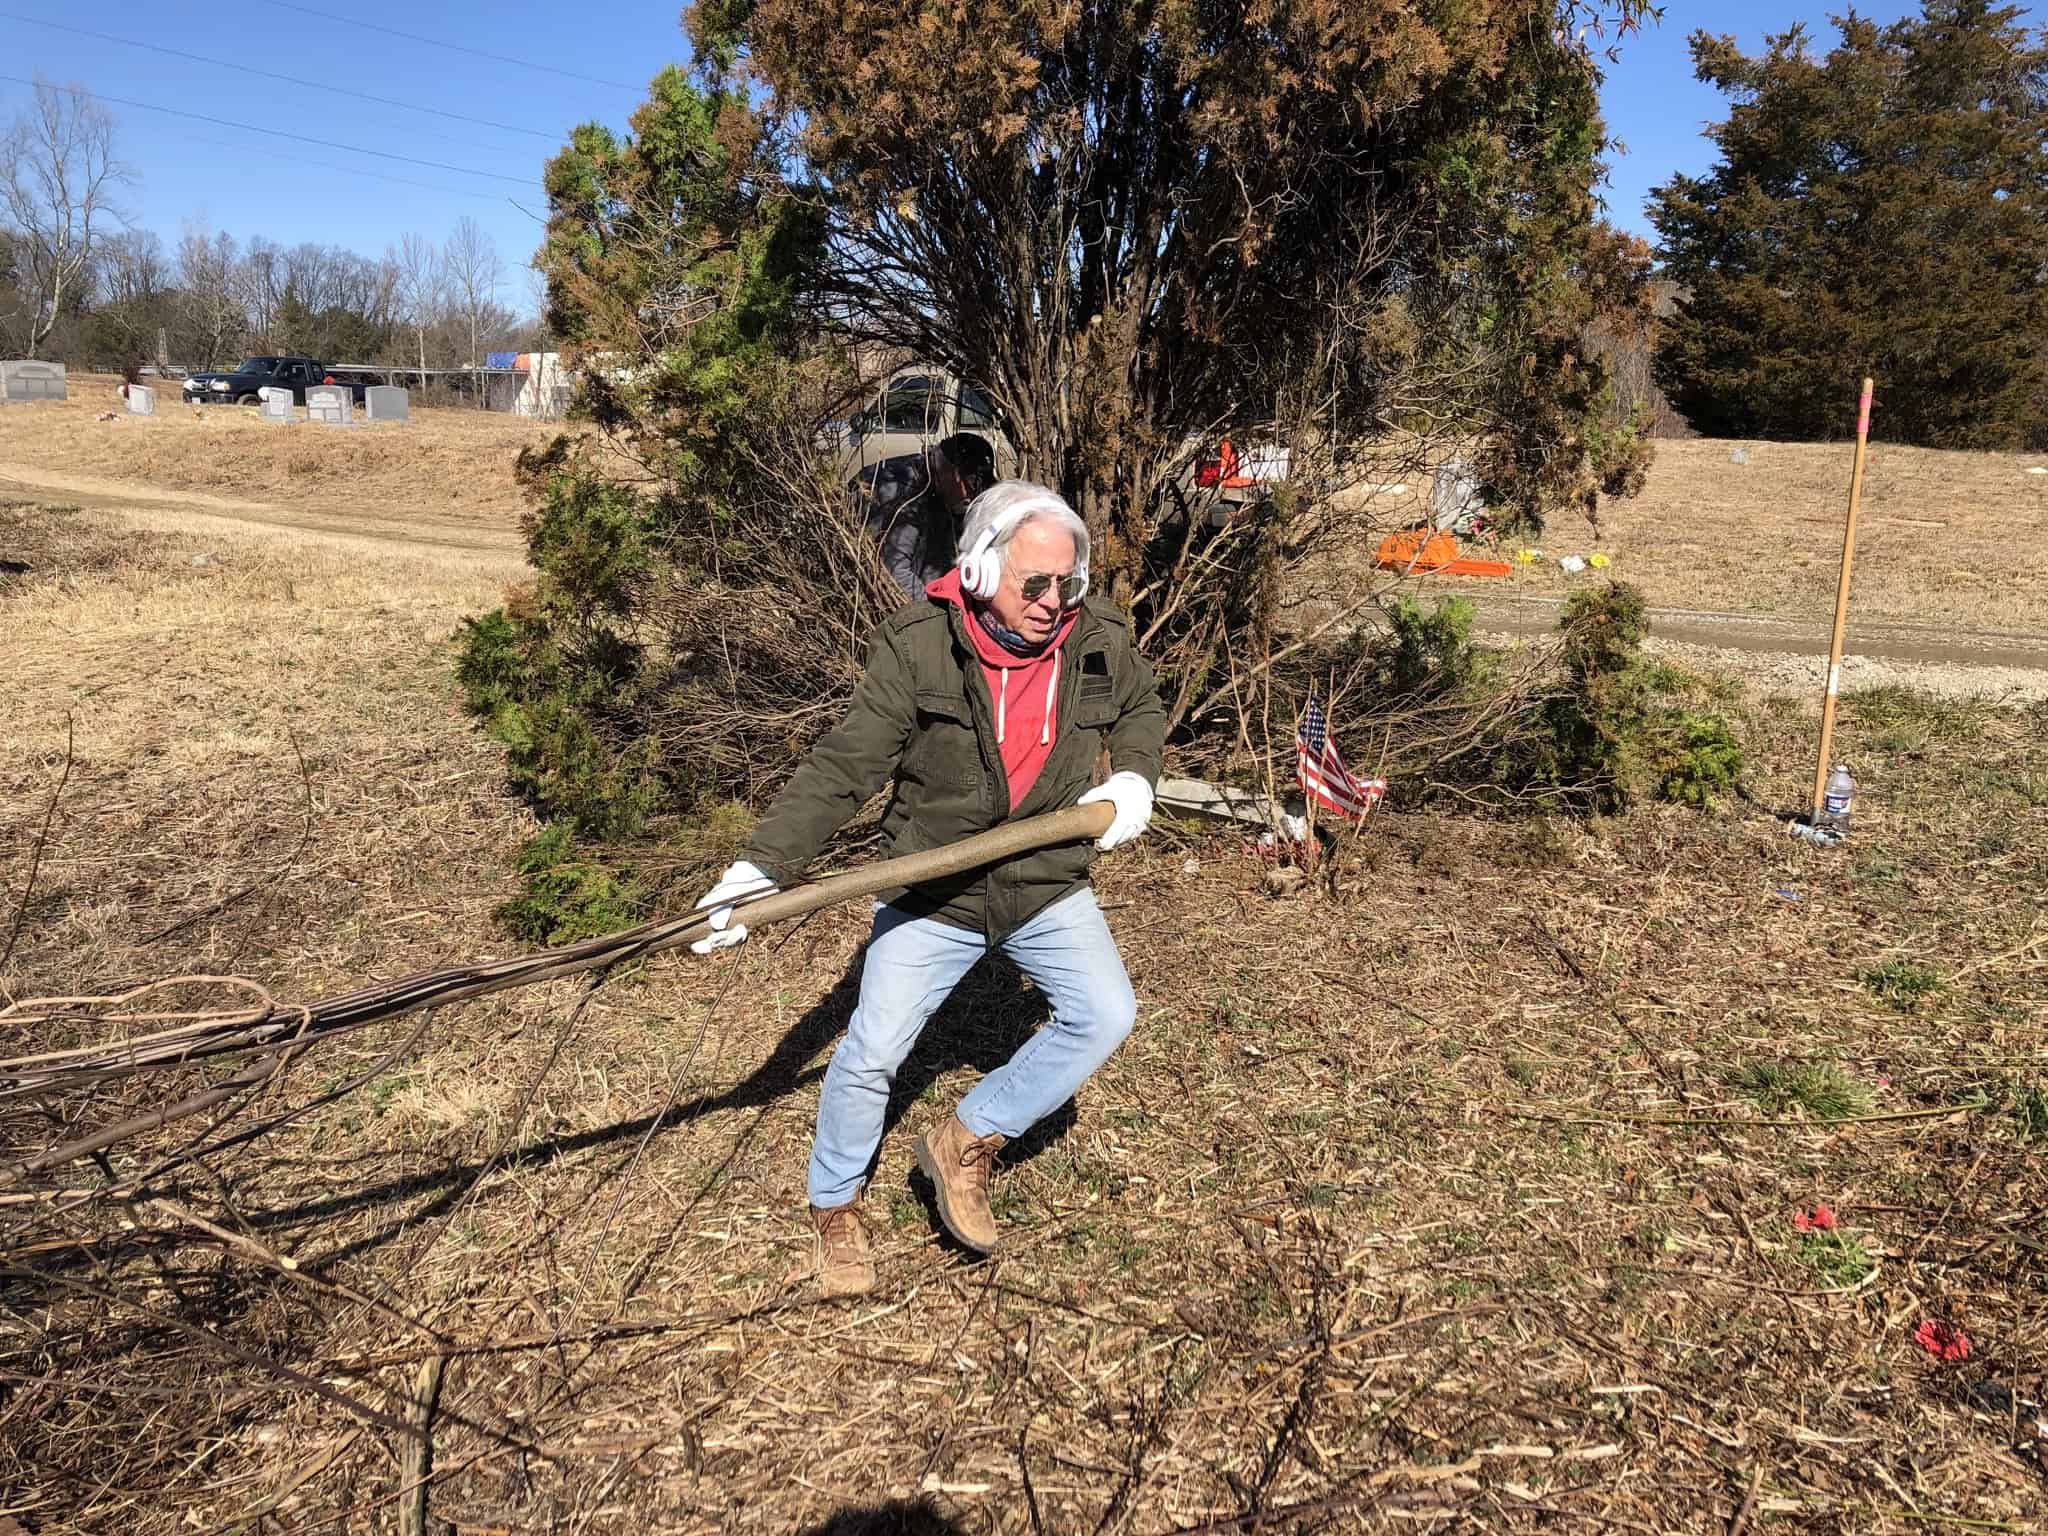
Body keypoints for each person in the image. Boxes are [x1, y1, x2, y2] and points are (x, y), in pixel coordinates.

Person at [692, 480, 1166, 1296]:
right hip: (933, 887)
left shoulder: (1098, 638)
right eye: (1034, 585)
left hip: (1043, 878)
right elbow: (845, 767)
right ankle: (835, 1201)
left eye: (1069, 584)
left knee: (1105, 1013)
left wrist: (1133, 778)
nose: (1055, 602)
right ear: (981, 572)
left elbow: (1141, 708)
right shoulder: (918, 648)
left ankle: (968, 1138)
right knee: (874, 1049)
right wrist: (761, 869)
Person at [869, 432, 998, 599]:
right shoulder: (903, 494)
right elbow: (893, 572)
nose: (971, 498)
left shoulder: (938, 486)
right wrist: (937, 616)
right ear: (956, 476)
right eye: (972, 488)